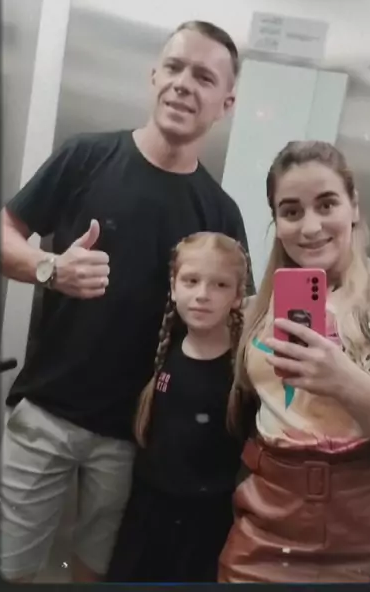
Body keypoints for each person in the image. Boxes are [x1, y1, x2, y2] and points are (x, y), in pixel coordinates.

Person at [0, 20, 253, 583]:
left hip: (136, 438)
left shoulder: (219, 214)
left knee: (98, 574)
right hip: (45, 414)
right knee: (10, 572)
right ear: (154, 75)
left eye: (204, 77)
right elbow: (5, 233)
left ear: (226, 103)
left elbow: (240, 323)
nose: (184, 83)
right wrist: (50, 268)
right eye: (175, 67)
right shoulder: (85, 157)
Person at [218, 140, 370, 584]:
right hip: (263, 517)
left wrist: (342, 379)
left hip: (359, 531)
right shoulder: (264, 305)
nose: (310, 226)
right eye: (291, 211)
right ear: (277, 222)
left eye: (327, 204)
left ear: (354, 206)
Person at [105, 232, 255, 583]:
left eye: (220, 284)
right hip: (146, 515)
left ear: (237, 296)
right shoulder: (158, 352)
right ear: (173, 287)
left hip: (208, 527)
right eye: (191, 281)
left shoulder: (245, 372)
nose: (203, 294)